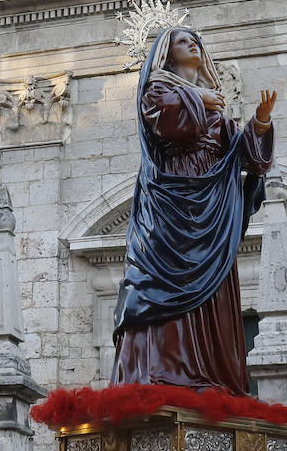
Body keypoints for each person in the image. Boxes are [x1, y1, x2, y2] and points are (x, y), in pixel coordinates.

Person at [112, 25, 276, 393]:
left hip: (212, 206)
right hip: (171, 201)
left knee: (214, 287)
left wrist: (260, 123)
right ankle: (165, 370)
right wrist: (197, 98)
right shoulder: (157, 89)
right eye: (184, 42)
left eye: (197, 41)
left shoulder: (214, 104)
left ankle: (211, 373)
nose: (194, 45)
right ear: (167, 53)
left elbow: (244, 156)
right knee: (164, 280)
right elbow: (169, 127)